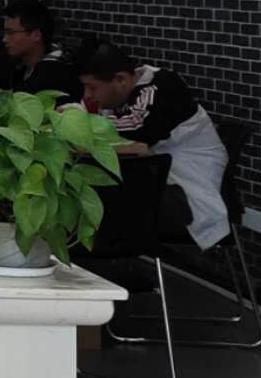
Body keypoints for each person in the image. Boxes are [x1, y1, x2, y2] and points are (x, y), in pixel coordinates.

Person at [76, 42, 231, 250]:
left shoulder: (163, 87)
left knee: (98, 200)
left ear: (121, 80)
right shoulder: (119, 95)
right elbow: (88, 116)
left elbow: (134, 131)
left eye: (92, 87)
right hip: (162, 187)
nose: (87, 95)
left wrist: (76, 128)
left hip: (189, 196)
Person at [0, 0, 75, 104]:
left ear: (36, 35)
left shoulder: (54, 73)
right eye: (5, 33)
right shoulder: (22, 67)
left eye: (11, 32)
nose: (4, 39)